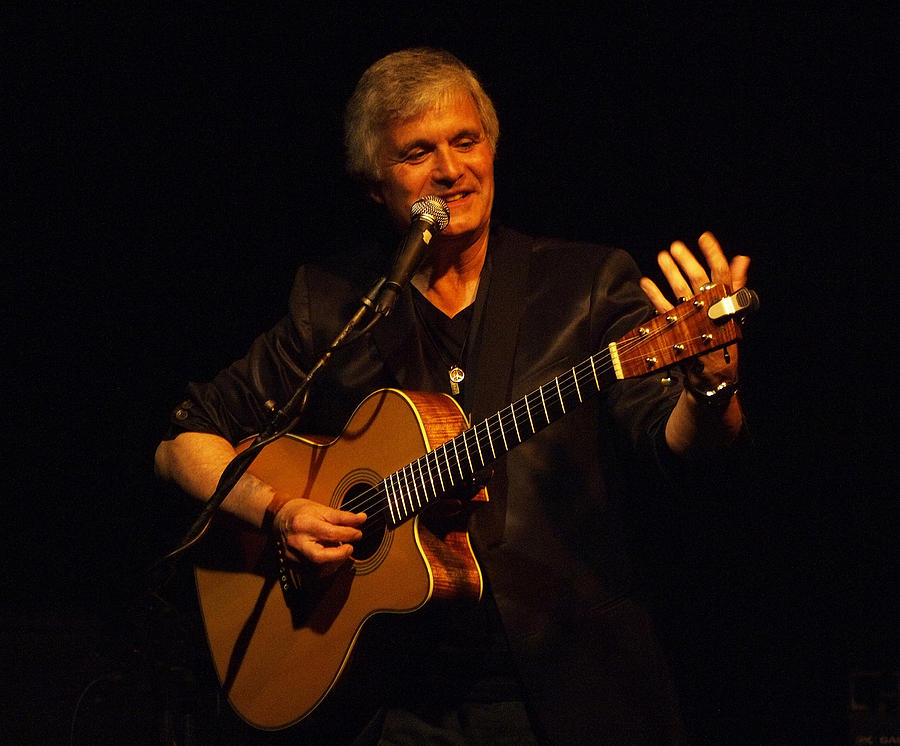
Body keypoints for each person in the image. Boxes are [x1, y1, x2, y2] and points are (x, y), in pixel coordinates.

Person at [155, 47, 750, 744]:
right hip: (391, 702)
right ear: (376, 186)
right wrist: (279, 511)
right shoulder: (338, 305)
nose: (449, 170)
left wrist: (710, 393)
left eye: (465, 141)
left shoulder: (584, 284)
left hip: (564, 688)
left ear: (492, 150)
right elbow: (183, 441)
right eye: (417, 152)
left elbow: (673, 442)